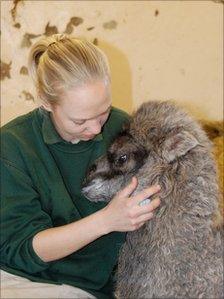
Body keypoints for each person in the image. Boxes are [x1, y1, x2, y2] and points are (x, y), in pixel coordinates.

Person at [0, 34, 161, 299]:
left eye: (103, 112)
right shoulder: (12, 146)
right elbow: (24, 251)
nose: (96, 129)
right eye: (80, 121)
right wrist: (107, 221)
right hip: (27, 279)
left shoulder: (123, 127)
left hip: (100, 285)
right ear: (45, 101)